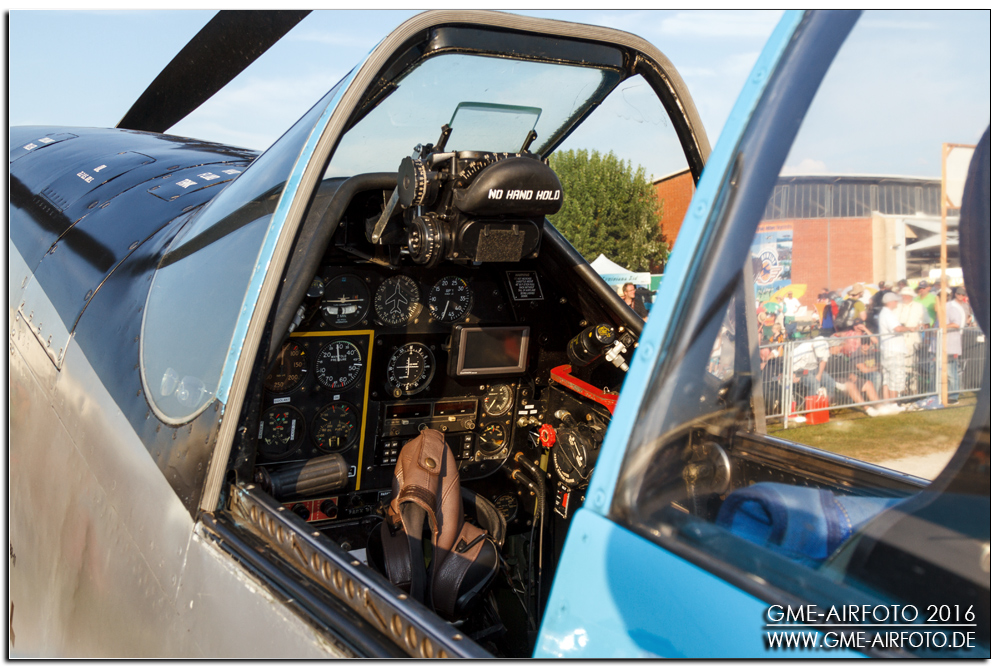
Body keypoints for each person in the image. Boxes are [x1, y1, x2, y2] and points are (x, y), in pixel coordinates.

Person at [877, 292, 911, 413]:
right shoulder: (888, 314)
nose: (897, 303)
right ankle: (893, 403)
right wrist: (910, 328)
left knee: (887, 377)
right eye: (895, 301)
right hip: (894, 350)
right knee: (895, 376)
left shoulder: (883, 313)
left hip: (887, 349)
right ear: (890, 302)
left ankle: (887, 403)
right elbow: (897, 328)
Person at [896, 286, 929, 393]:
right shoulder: (897, 306)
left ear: (911, 296)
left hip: (913, 339)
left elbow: (927, 324)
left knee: (913, 364)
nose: (905, 297)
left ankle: (913, 388)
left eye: (907, 295)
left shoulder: (919, 307)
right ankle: (902, 388)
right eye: (903, 295)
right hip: (898, 339)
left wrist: (921, 328)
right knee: (900, 364)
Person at [945, 287, 965, 401]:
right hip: (949, 342)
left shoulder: (953, 307)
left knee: (952, 371)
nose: (960, 296)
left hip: (953, 343)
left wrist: (942, 327)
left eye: (962, 294)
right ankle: (951, 394)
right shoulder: (949, 305)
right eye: (958, 294)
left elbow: (957, 324)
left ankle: (953, 396)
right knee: (952, 370)